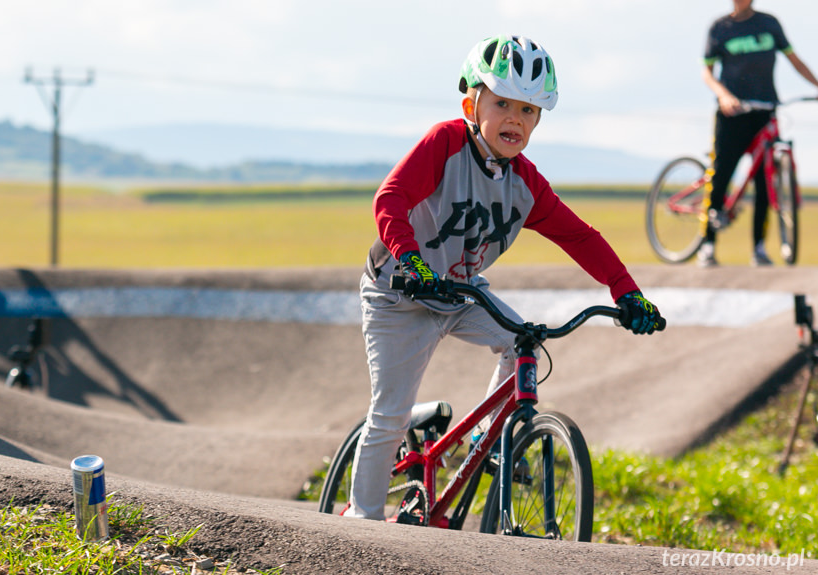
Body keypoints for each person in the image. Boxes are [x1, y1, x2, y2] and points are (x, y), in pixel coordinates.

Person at [345, 34, 664, 521]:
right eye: (503, 103)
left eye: (530, 110)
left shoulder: (525, 183)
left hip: (461, 292)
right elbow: (390, 199)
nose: (516, 118)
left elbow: (580, 238)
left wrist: (629, 294)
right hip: (399, 292)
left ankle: (487, 439)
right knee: (388, 415)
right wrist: (412, 262)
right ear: (471, 103)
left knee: (523, 342)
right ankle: (360, 526)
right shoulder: (445, 144)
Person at [698, 0, 818, 267]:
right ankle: (708, 243)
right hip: (732, 114)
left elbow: (794, 61)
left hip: (765, 110)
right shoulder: (720, 28)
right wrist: (724, 96)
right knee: (721, 174)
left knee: (766, 180)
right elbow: (707, 72)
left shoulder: (768, 23)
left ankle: (759, 248)